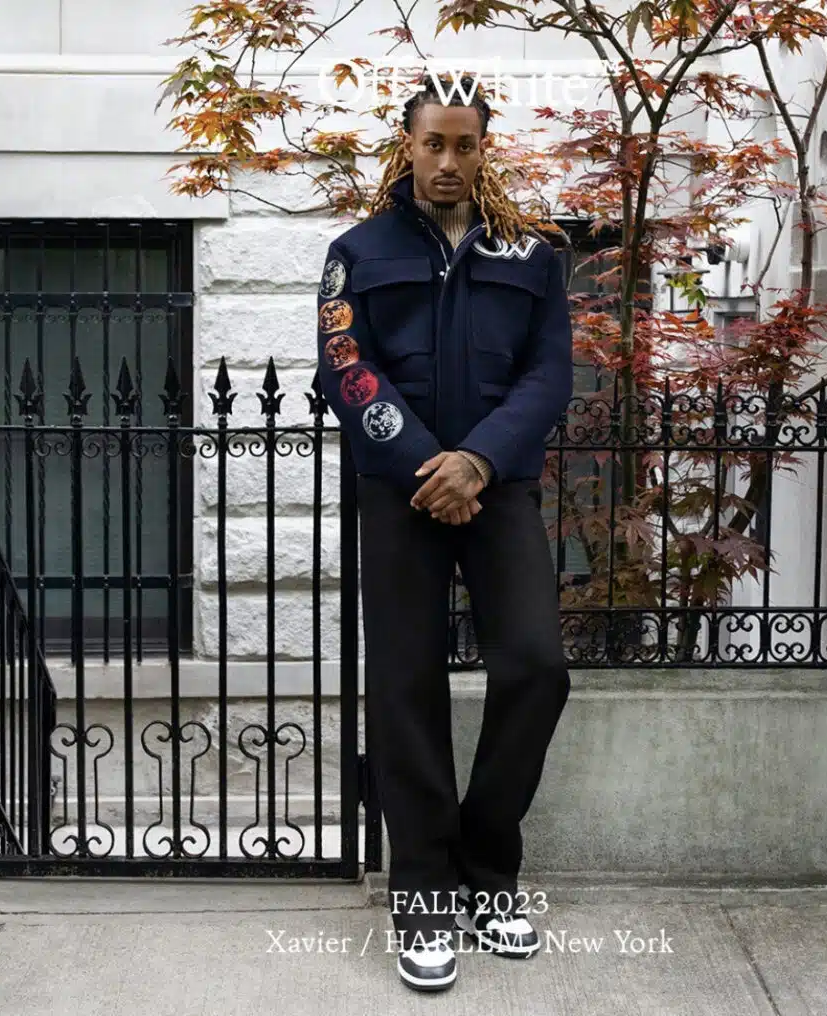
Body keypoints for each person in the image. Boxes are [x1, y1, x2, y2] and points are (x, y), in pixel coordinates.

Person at [314, 73, 574, 992]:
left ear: (484, 148)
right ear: (408, 145)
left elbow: (549, 378)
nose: (450, 161)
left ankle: (487, 867)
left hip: (495, 489)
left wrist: (478, 463)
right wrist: (431, 464)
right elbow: (347, 368)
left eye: (466, 145)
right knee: (405, 683)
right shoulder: (357, 250)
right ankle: (423, 891)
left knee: (538, 665)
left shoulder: (532, 254)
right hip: (400, 490)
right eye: (435, 144)